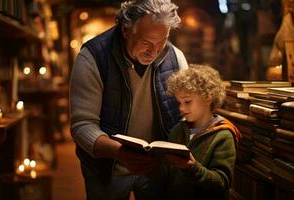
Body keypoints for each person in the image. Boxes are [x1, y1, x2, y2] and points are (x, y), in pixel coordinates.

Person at [69, 0, 188, 199]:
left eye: (161, 42)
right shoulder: (93, 57)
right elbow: (82, 125)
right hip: (107, 169)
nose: (155, 52)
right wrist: (119, 153)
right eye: (146, 43)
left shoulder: (175, 57)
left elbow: (186, 114)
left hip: (157, 169)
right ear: (126, 30)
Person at [165, 64, 242, 200]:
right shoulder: (179, 129)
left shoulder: (223, 135)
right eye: (179, 103)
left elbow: (222, 183)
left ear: (208, 97)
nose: (181, 108)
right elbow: (169, 175)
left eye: (187, 102)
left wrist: (192, 168)